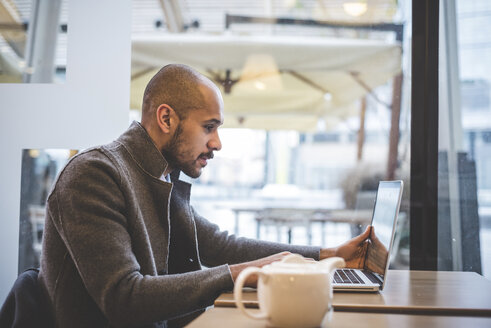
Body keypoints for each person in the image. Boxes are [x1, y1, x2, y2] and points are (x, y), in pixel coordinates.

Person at [38, 64, 372, 328]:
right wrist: (240, 273)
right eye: (209, 127)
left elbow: (219, 244)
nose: (217, 143)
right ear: (166, 118)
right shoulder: (94, 174)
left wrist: (327, 254)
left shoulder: (158, 173)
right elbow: (124, 298)